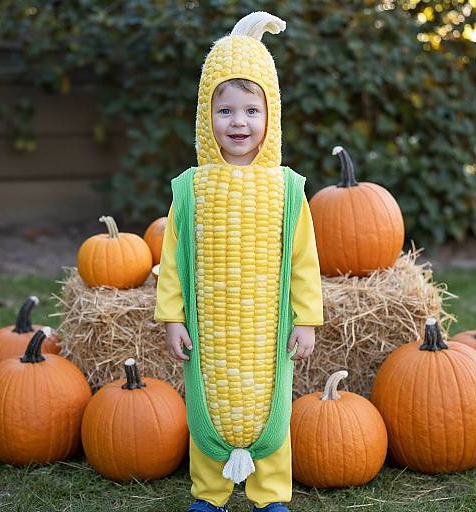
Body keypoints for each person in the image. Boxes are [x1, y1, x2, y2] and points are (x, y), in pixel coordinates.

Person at [154, 11, 323, 512]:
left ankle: (271, 495)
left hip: (265, 329)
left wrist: (307, 319)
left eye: (252, 110)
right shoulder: (191, 187)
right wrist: (173, 316)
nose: (239, 123)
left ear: (271, 116)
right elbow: (173, 257)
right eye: (225, 111)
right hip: (213, 327)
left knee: (270, 411)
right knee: (207, 407)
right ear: (206, 116)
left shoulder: (287, 189)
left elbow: (304, 259)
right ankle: (208, 492)